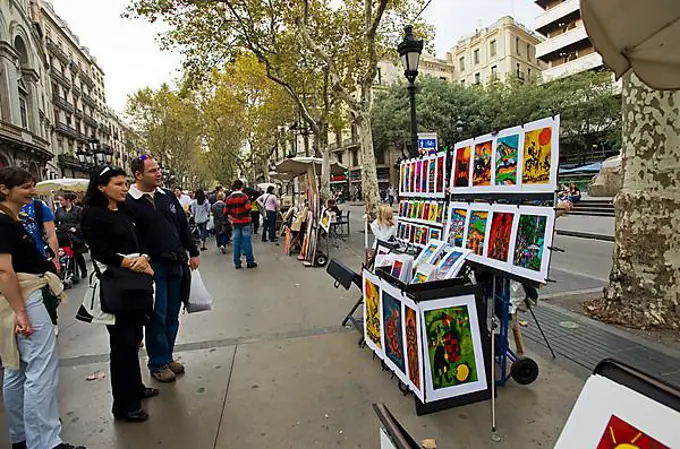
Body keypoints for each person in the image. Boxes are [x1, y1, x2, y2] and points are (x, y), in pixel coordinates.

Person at [0, 167, 86, 449]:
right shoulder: (3, 222)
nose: (32, 192)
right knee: (40, 370)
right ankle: (45, 442)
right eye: (26, 187)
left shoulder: (11, 219)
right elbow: (4, 270)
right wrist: (21, 311)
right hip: (24, 297)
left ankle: (22, 438)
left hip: (15, 298)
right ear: (4, 189)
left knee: (16, 369)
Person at [81, 165, 158, 423]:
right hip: (116, 284)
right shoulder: (93, 215)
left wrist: (144, 257)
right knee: (122, 345)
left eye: (126, 183)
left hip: (136, 282)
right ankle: (124, 405)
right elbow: (100, 251)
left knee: (135, 339)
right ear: (102, 187)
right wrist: (130, 263)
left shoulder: (126, 211)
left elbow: (142, 239)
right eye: (118, 184)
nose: (124, 188)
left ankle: (135, 387)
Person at [125, 155, 200, 383]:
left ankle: (167, 356)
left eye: (159, 169)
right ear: (138, 175)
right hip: (152, 266)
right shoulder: (129, 202)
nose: (158, 174)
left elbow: (182, 225)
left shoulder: (167, 196)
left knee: (172, 314)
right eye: (152, 171)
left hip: (176, 263)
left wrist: (192, 251)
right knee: (156, 315)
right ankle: (157, 362)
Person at [225, 180, 257, 269]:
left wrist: (232, 217)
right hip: (245, 221)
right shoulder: (244, 197)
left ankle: (237, 263)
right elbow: (248, 208)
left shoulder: (229, 198)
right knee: (246, 241)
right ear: (242, 187)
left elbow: (226, 211)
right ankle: (250, 261)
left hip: (235, 222)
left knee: (236, 242)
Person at [55, 193, 87, 279]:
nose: (60, 202)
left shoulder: (78, 210)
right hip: (64, 235)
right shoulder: (59, 211)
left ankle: (83, 269)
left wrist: (76, 228)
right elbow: (55, 221)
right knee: (68, 253)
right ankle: (72, 272)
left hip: (75, 235)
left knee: (77, 253)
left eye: (61, 200)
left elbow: (82, 222)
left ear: (68, 200)